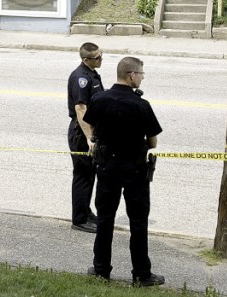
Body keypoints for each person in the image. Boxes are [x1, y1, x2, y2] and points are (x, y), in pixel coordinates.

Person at [85, 56, 164, 287]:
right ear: (131, 75)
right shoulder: (141, 105)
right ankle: (141, 274)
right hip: (134, 171)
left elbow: (91, 125)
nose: (141, 78)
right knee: (138, 222)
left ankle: (101, 269)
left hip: (107, 168)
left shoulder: (99, 99)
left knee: (105, 220)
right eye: (141, 74)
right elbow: (153, 142)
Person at [67, 42, 105, 233]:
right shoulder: (81, 78)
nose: (101, 59)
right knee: (83, 175)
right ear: (86, 59)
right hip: (82, 133)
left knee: (90, 175)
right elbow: (81, 109)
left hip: (92, 131)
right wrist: (90, 138)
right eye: (97, 57)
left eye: (101, 55)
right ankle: (79, 219)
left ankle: (85, 210)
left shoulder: (92, 73)